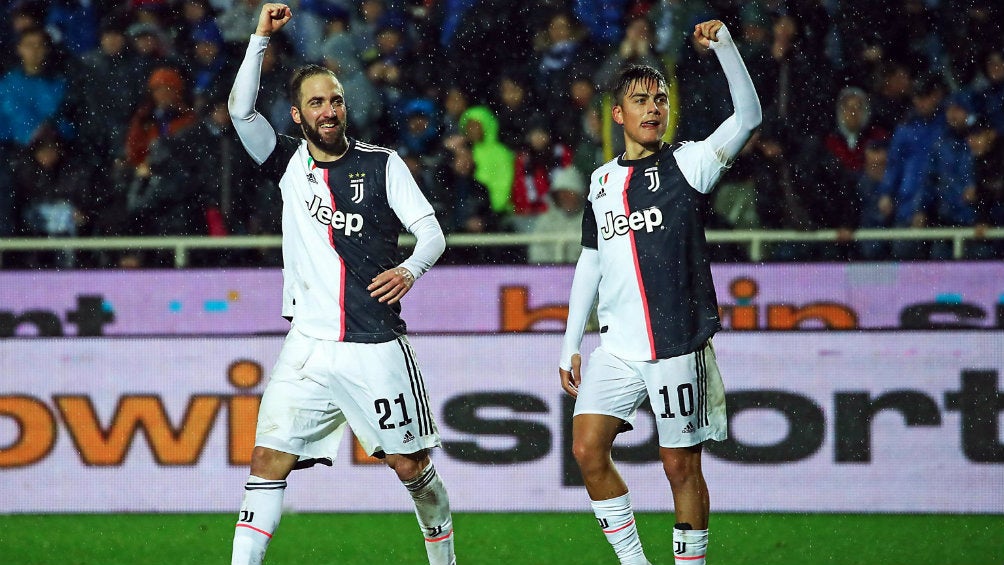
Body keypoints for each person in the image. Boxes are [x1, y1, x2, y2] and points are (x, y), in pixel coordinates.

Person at [227, 5, 454, 565]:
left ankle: (444, 558)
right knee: (266, 460)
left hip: (373, 344)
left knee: (410, 467)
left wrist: (409, 270)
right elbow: (239, 109)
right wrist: (260, 37)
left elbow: (432, 234)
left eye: (335, 100)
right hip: (307, 345)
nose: (329, 110)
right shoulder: (287, 164)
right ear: (298, 117)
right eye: (316, 103)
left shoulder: (382, 166)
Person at [559, 19, 760, 565]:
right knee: (586, 449)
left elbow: (749, 116)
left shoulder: (688, 164)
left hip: (676, 345)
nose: (653, 109)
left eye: (661, 100)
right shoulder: (601, 182)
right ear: (617, 114)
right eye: (640, 100)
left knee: (679, 467)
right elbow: (592, 261)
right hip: (618, 348)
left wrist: (725, 48)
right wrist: (570, 341)